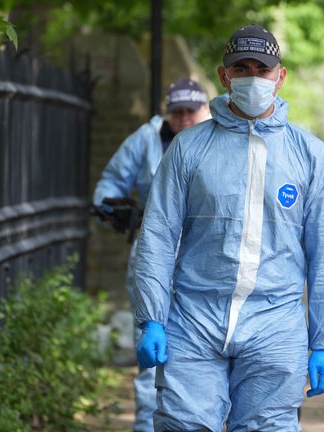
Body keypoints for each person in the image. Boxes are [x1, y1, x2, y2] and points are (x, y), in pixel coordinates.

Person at [132, 23, 324, 431]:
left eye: (262, 69)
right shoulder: (189, 148)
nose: (252, 78)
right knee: (183, 425)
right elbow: (158, 236)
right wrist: (152, 318)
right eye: (241, 68)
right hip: (193, 319)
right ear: (224, 75)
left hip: (276, 322)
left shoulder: (308, 155)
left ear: (280, 76)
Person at [92, 77, 209, 432]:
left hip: (204, 260)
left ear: (205, 108)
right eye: (178, 111)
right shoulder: (146, 140)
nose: (185, 117)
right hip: (153, 254)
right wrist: (113, 210)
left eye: (191, 110)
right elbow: (108, 185)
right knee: (151, 354)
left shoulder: (220, 139)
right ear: (167, 112)